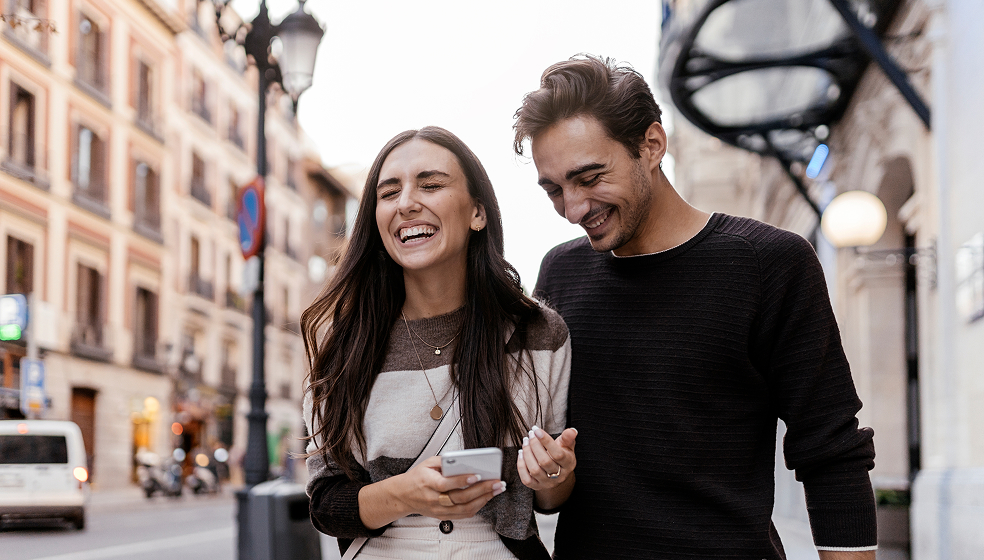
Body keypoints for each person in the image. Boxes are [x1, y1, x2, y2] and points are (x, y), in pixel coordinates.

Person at [512, 55, 877, 559]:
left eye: (591, 177)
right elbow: (552, 476)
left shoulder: (769, 262)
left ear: (652, 145)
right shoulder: (559, 273)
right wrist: (546, 472)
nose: (573, 209)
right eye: (554, 189)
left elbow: (831, 451)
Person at [301, 126, 577, 560]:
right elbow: (324, 504)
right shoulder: (342, 344)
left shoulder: (539, 333)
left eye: (430, 185)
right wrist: (405, 495)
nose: (407, 203)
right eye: (388, 193)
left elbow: (551, 498)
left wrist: (553, 475)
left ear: (478, 214)